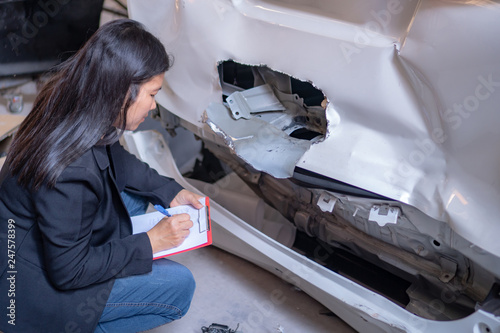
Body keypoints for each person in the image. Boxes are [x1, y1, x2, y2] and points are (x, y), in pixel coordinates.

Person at [0, 19, 203, 332]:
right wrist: (150, 242)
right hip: (28, 285)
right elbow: (69, 272)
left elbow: (114, 157)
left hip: (40, 234)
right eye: (151, 94)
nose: (153, 105)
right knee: (179, 286)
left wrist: (168, 190)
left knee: (135, 195)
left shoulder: (75, 96)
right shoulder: (70, 170)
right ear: (123, 92)